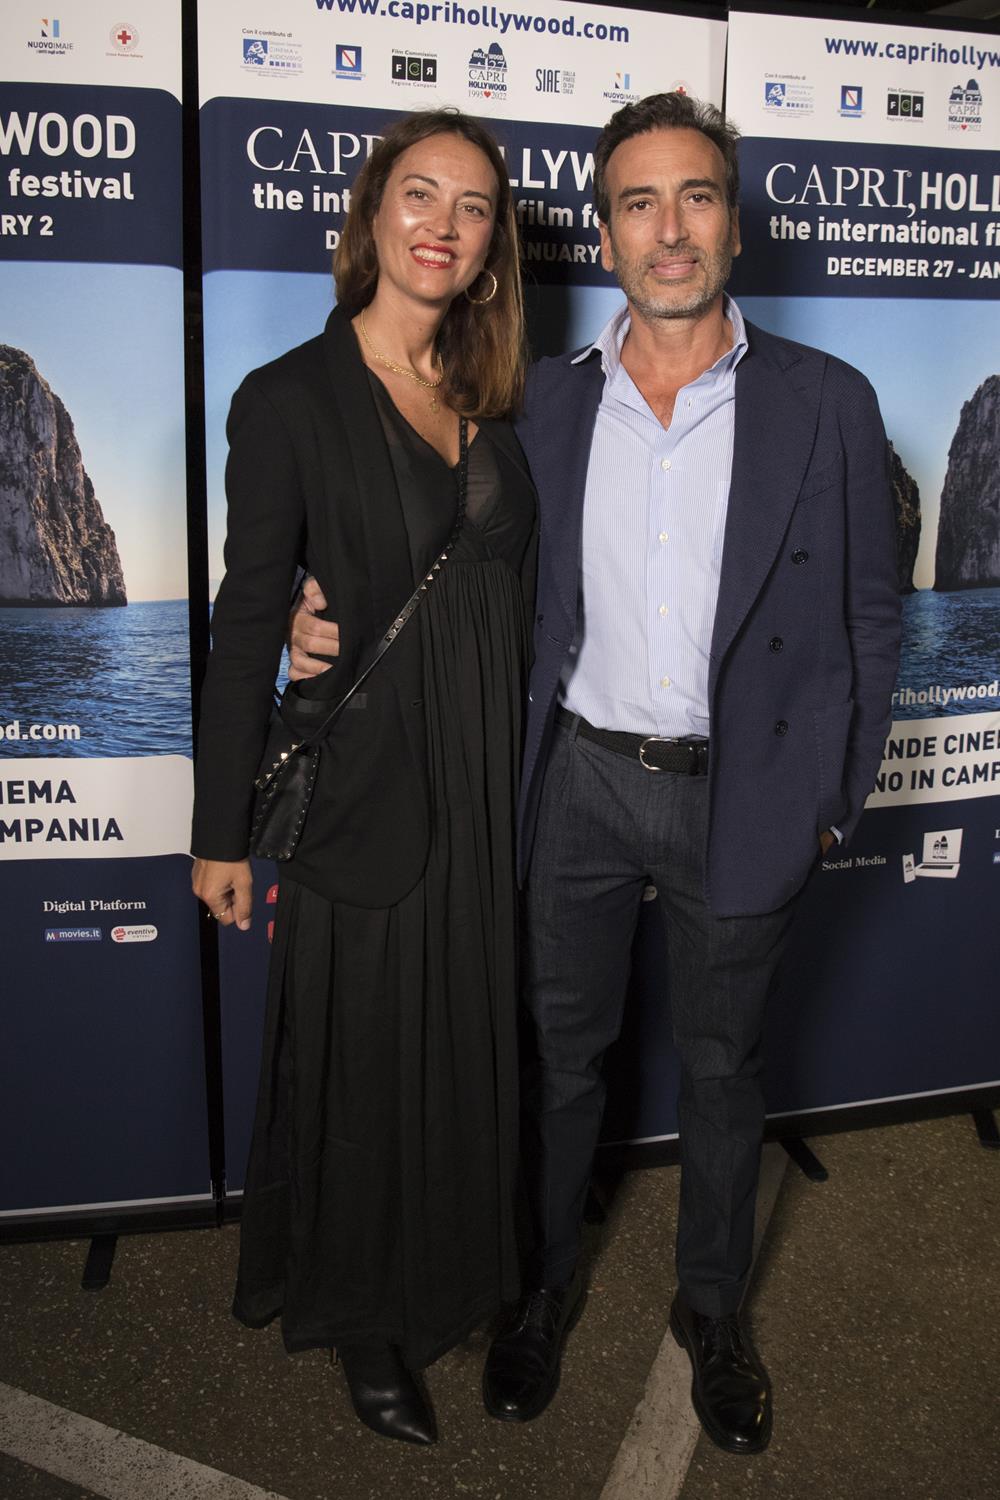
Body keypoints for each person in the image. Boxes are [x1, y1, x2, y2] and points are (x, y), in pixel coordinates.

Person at [290, 92, 902, 1455]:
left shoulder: (828, 401)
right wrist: (305, 609)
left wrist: (831, 800)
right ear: (608, 234)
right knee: (557, 1062)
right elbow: (439, 556)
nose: (669, 230)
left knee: (723, 1070)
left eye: (696, 197)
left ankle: (712, 1310)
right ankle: (540, 1289)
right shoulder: (543, 402)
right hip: (572, 785)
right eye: (639, 202)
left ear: (732, 225)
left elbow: (872, 617)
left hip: (744, 797)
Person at [191, 109, 536, 1448]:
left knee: (463, 1040)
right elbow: (245, 625)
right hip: (370, 787)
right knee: (367, 1063)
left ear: (492, 246)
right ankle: (362, 1314)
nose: (443, 224)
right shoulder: (288, 398)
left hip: (488, 779)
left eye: (473, 206)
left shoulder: (498, 395)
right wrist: (221, 833)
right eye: (420, 193)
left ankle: (454, 1269)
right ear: (373, 214)